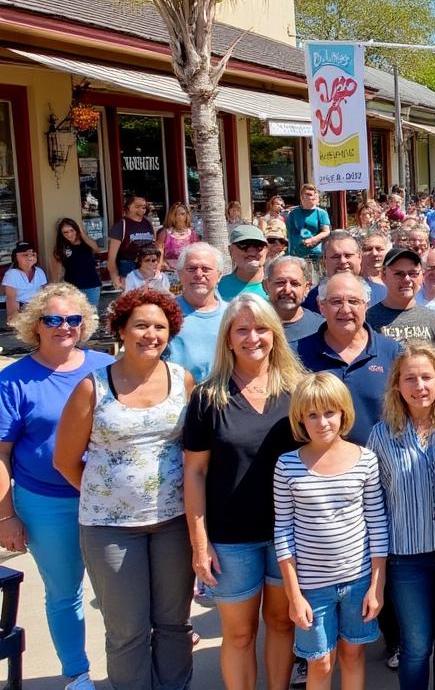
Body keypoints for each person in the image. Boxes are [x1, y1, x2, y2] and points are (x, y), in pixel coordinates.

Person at [53, 287, 195, 690]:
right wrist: (109, 501)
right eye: (141, 325)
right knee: (127, 629)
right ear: (121, 329)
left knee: (173, 623)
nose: (151, 334)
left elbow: (194, 450)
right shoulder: (92, 388)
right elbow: (65, 460)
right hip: (109, 530)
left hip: (173, 523)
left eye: (160, 327)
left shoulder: (182, 380)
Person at [182, 294, 305, 690]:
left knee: (282, 623)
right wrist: (200, 545)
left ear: (275, 334)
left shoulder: (298, 390)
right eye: (242, 330)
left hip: (289, 535)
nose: (253, 337)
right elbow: (195, 473)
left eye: (261, 328)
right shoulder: (208, 397)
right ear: (228, 339)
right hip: (232, 539)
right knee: (238, 634)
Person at [0, 284, 112, 690]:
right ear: (35, 325)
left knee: (120, 592)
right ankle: (77, 673)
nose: (64, 327)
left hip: (107, 500)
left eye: (73, 319)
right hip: (46, 503)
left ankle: (129, 665)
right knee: (65, 592)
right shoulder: (14, 380)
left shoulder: (105, 366)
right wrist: (6, 515)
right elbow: (1, 453)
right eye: (52, 319)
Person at [274, 373, 388, 690]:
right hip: (312, 587)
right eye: (312, 414)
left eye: (329, 412)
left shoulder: (365, 459)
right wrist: (294, 594)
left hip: (358, 580)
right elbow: (283, 531)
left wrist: (377, 585)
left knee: (353, 655)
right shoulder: (287, 465)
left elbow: (377, 522)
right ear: (300, 418)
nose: (322, 422)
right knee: (320, 661)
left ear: (343, 413)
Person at [367, 344, 435, 690]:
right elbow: (374, 504)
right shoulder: (381, 436)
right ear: (397, 385)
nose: (419, 386)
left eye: (427, 377)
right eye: (410, 378)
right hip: (407, 559)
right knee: (417, 645)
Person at [293, 272, 402, 446]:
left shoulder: (392, 352)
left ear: (366, 306)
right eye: (336, 301)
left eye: (353, 301)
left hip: (378, 468)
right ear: (321, 307)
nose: (345, 309)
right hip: (315, 467)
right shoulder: (297, 353)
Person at [167, 242, 227, 382]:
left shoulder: (232, 314)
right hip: (180, 397)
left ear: (219, 275)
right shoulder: (165, 314)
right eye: (192, 269)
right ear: (180, 274)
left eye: (206, 269)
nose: (199, 275)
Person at [301, 231, 388, 313]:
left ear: (359, 258)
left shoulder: (382, 294)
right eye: (335, 257)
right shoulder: (310, 300)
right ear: (324, 261)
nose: (343, 261)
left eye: (348, 255)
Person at [367, 248, 435, 342]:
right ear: (383, 276)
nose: (407, 279)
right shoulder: (369, 319)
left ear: (422, 276)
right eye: (399, 274)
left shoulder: (434, 319)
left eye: (413, 273)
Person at [266, 255, 323, 342]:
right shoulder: (252, 326)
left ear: (306, 288)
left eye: (294, 283)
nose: (287, 290)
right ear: (266, 286)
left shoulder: (322, 328)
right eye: (280, 283)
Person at [52, 218, 104, 308]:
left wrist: (82, 232)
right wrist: (56, 288)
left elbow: (97, 249)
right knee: (75, 316)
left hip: (91, 286)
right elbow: (57, 271)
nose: (69, 234)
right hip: (72, 288)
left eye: (71, 230)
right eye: (65, 232)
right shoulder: (61, 248)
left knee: (91, 316)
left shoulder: (86, 243)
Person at [107, 194, 156, 289]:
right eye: (137, 206)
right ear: (128, 206)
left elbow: (155, 246)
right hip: (129, 266)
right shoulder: (121, 225)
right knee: (132, 300)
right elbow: (111, 257)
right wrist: (114, 277)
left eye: (143, 207)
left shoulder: (147, 223)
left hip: (147, 265)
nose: (141, 210)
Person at [217, 224, 269, 301]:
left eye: (258, 245)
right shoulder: (217, 287)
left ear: (266, 249)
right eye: (244, 245)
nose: (251, 251)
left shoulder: (279, 286)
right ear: (231, 250)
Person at [286, 184, 332, 266]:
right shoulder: (293, 213)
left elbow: (326, 231)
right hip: (298, 253)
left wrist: (313, 239)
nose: (309, 197)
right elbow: (290, 233)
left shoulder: (321, 213)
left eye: (311, 195)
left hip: (316, 252)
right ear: (301, 197)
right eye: (306, 194)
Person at [4, 241, 48, 325]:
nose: (30, 256)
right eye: (25, 254)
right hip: (22, 311)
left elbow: (45, 294)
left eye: (32, 253)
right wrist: (14, 319)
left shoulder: (39, 271)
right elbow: (11, 298)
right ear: (16, 258)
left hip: (38, 309)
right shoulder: (11, 274)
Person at [156, 202, 200, 274]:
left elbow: (197, 252)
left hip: (188, 269)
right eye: (176, 214)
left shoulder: (192, 234)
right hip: (169, 270)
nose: (179, 216)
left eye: (182, 214)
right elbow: (159, 250)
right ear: (171, 216)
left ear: (187, 216)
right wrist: (161, 264)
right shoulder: (165, 233)